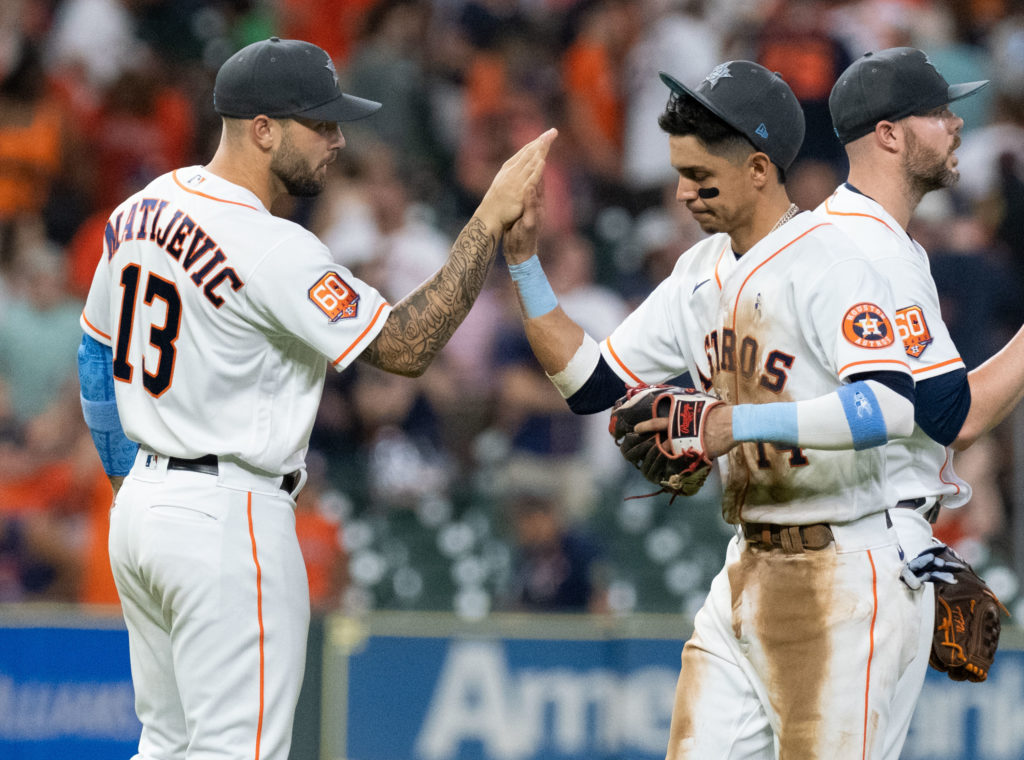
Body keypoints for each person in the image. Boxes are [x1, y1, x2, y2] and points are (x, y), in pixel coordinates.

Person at [76, 37, 555, 760]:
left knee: (166, 746)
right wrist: (487, 219)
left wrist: (134, 486)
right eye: (321, 123)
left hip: (147, 512)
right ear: (263, 129)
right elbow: (406, 348)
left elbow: (94, 355)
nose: (338, 140)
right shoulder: (272, 246)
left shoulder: (144, 208)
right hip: (227, 516)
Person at [503, 60, 922, 758]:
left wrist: (734, 423)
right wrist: (523, 264)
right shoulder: (697, 272)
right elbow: (591, 384)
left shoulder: (834, 263)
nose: (682, 192)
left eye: (700, 176)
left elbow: (889, 405)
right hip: (746, 568)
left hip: (843, 573)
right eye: (679, 173)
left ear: (758, 169)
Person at [818, 46, 1021, 755]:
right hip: (857, 557)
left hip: (851, 541)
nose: (956, 124)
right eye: (937, 112)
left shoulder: (849, 235)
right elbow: (954, 417)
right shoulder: (871, 250)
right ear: (888, 134)